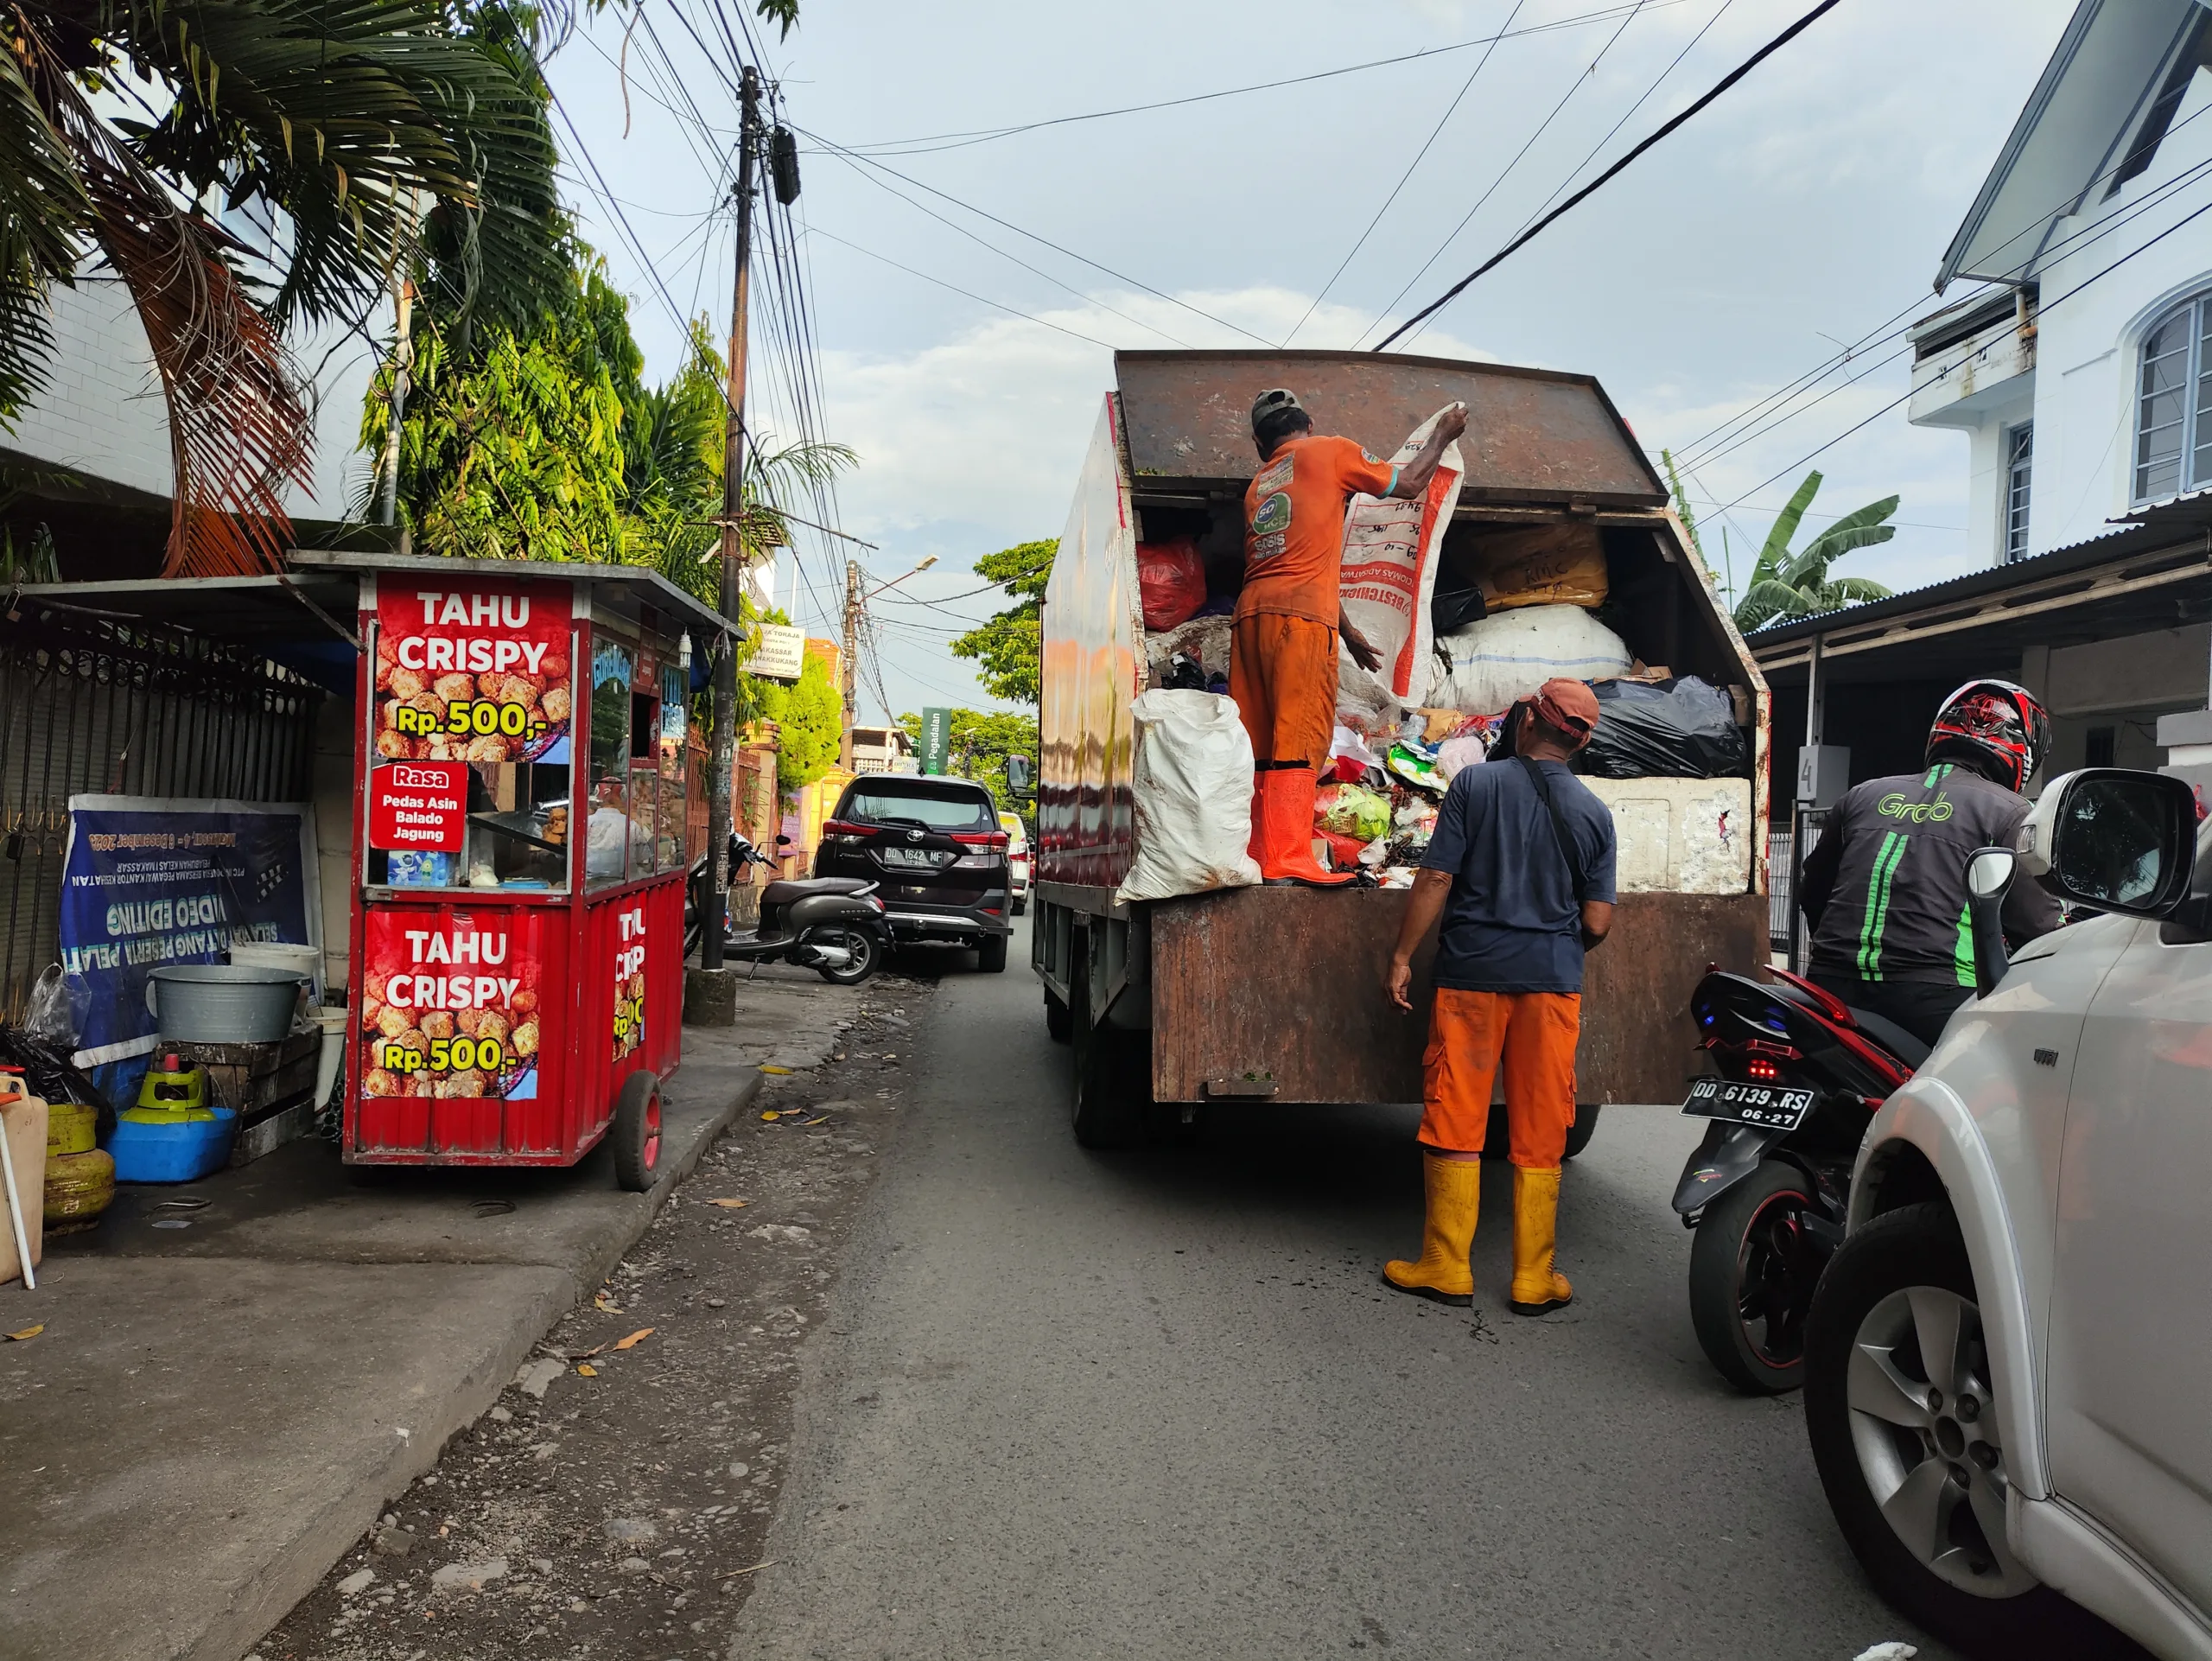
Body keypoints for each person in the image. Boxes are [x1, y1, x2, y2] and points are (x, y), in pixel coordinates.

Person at [1381, 680, 1615, 1315]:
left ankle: (1446, 1265)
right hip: (1553, 986)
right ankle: (1533, 1277)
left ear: (1527, 721)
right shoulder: (1596, 813)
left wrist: (1402, 956)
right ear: (1583, 741)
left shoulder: (1475, 786)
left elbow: (1435, 876)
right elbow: (1597, 921)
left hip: (1472, 978)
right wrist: (1553, 949)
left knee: (1457, 1113)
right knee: (1542, 1125)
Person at [1231, 386, 1469, 885]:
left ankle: (1257, 851)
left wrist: (1351, 633)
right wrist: (1444, 434)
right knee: (1299, 736)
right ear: (1309, 423)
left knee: (1259, 743)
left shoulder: (1259, 485)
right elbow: (1410, 484)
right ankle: (1289, 855)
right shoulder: (1331, 450)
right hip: (1299, 624)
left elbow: (1298, 561)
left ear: (1260, 443)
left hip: (1251, 617)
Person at [1796, 678, 2062, 1047]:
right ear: (2023, 748)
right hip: (1937, 998)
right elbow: (2038, 929)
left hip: (1828, 987)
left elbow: (1813, 894)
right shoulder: (2012, 812)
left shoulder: (1861, 795)